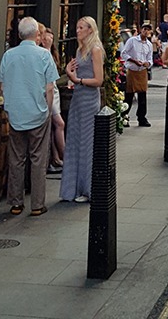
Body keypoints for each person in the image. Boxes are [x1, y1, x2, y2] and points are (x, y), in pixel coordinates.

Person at [0, 16, 59, 217]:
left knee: (16, 159)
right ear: (35, 34)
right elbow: (50, 87)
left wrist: (9, 107)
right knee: (38, 160)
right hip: (38, 113)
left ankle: (15, 202)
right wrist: (48, 110)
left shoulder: (9, 55)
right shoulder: (43, 55)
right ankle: (37, 205)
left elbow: (2, 86)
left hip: (16, 114)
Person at [60, 16, 104, 204]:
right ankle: (72, 189)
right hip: (78, 98)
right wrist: (70, 74)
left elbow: (98, 80)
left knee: (87, 143)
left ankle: (88, 189)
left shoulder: (95, 50)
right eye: (76, 27)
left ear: (90, 30)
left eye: (81, 27)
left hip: (89, 100)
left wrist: (78, 80)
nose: (77, 30)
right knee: (74, 141)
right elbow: (75, 75)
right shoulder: (80, 50)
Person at [41, 27, 66, 173]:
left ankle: (55, 158)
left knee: (53, 126)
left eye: (49, 38)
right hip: (48, 92)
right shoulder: (42, 54)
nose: (46, 40)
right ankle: (64, 157)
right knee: (59, 123)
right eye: (44, 38)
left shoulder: (52, 54)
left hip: (54, 91)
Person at [120, 21, 154, 127]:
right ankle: (124, 117)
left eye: (148, 30)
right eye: (144, 29)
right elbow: (124, 53)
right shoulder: (132, 41)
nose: (145, 31)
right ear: (141, 30)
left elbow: (150, 59)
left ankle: (142, 118)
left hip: (142, 71)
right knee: (129, 95)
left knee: (142, 96)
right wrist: (133, 61)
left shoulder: (149, 44)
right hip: (132, 70)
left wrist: (147, 64)